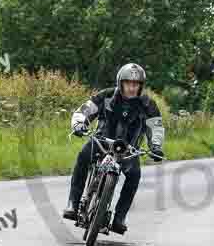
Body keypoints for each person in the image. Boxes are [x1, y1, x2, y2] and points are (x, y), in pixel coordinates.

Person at [62, 63, 165, 235]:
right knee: (82, 157)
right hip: (101, 142)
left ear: (141, 86)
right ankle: (73, 203)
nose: (132, 87)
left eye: (136, 84)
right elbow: (85, 110)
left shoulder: (147, 104)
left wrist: (156, 146)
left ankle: (119, 218)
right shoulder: (106, 95)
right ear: (120, 83)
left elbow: (156, 127)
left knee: (134, 176)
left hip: (128, 150)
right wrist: (79, 124)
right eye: (128, 83)